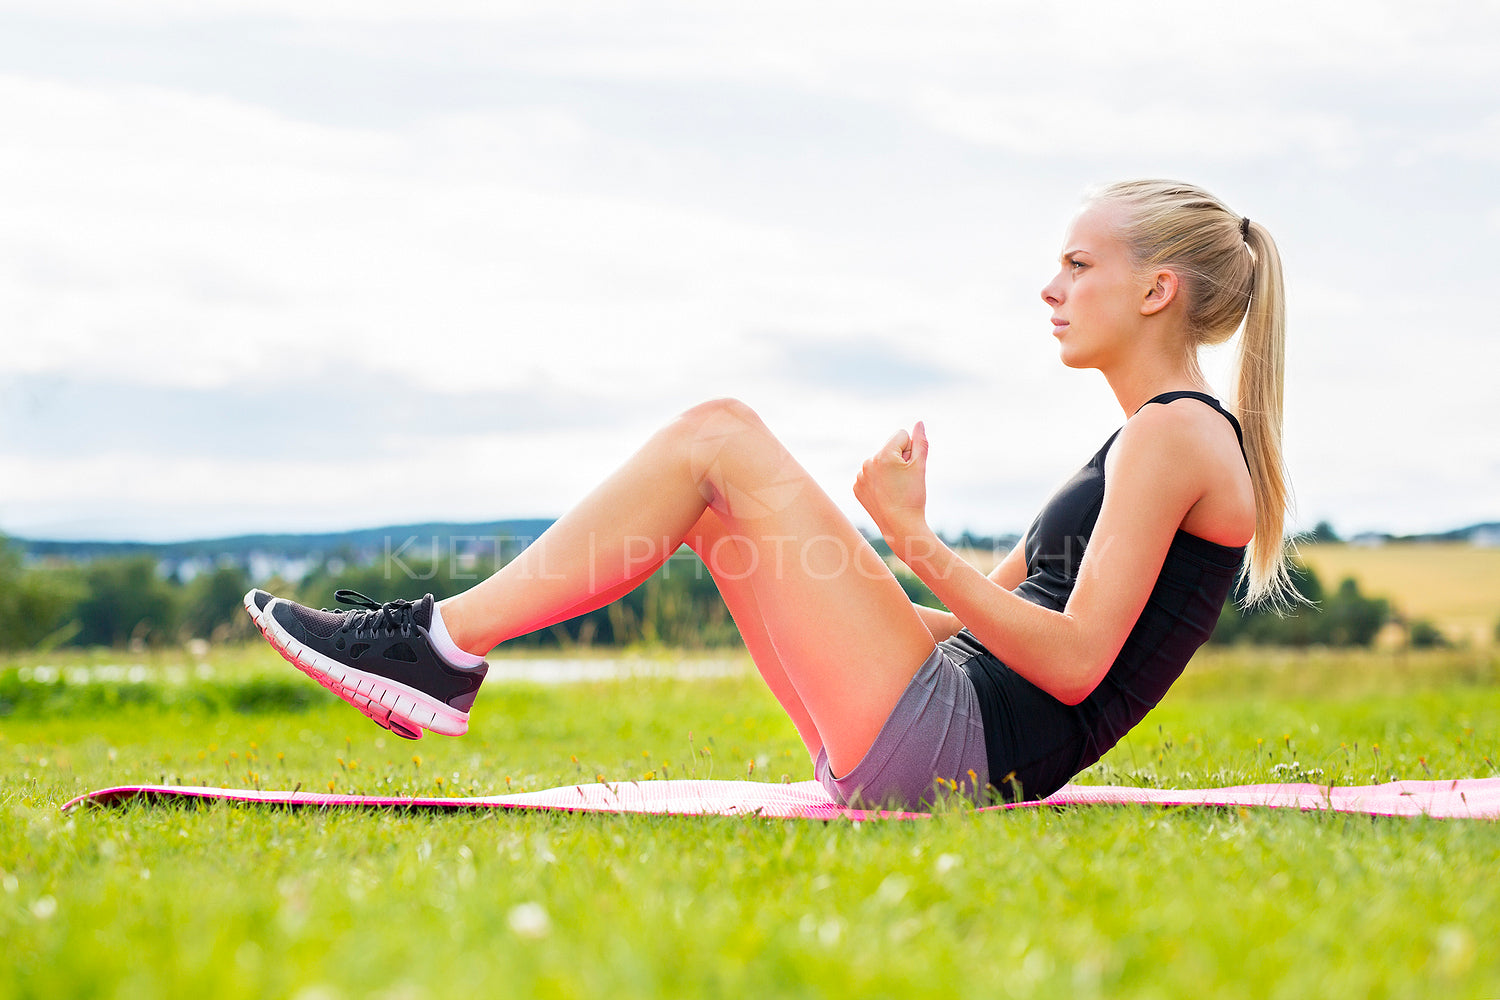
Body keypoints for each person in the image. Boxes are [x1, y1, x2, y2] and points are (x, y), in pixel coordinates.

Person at [244, 179, 1292, 809]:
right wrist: (813, 563)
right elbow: (987, 626)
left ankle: (437, 647)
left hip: (956, 752)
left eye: (1078, 263)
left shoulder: (1175, 438)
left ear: (1158, 290)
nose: (1052, 288)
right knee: (714, 499)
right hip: (941, 736)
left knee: (721, 434)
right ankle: (441, 648)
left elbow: (1068, 665)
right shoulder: (1142, 443)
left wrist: (906, 535)